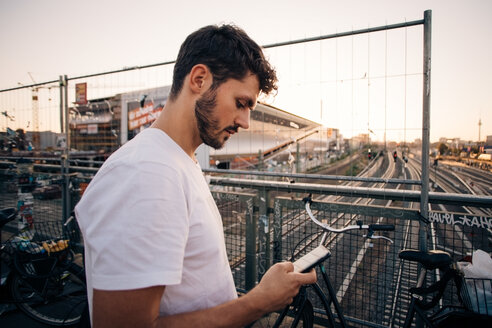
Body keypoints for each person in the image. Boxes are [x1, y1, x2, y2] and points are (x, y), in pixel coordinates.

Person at [75, 24, 316, 327]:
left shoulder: (176, 160)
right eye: (241, 103)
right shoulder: (146, 173)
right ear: (199, 79)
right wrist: (260, 301)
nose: (245, 122)